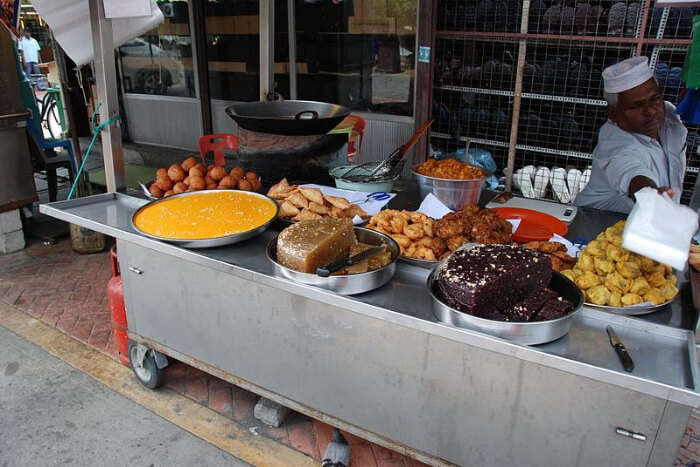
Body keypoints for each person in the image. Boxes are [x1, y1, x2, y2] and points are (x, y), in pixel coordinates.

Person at [575, 56, 687, 213]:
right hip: (596, 221)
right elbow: (631, 173)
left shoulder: (669, 117)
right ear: (613, 114)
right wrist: (650, 194)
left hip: (652, 219)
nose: (651, 111)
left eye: (654, 99)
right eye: (636, 106)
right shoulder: (615, 144)